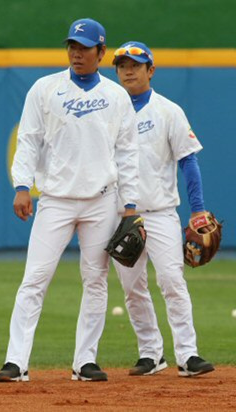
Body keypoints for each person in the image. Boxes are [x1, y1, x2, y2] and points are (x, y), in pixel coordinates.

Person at [0, 18, 140, 383]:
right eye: (73, 46)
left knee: (95, 280)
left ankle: (84, 361)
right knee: (35, 278)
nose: (77, 52)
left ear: (101, 52)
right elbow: (28, 140)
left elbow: (127, 155)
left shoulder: (116, 96)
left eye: (85, 47)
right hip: (55, 200)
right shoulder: (45, 89)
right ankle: (16, 362)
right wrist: (22, 186)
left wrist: (131, 205)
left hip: (101, 202)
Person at [111, 42, 215, 377]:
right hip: (120, 216)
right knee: (132, 288)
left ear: (150, 70)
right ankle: (151, 354)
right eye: (122, 65)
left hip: (159, 213)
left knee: (172, 281)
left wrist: (197, 209)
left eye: (136, 65)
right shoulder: (107, 111)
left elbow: (188, 161)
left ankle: (188, 355)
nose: (128, 70)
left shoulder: (168, 111)